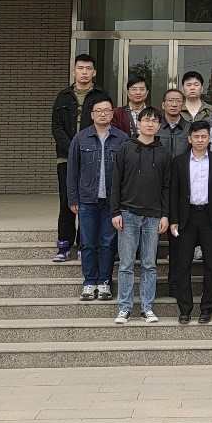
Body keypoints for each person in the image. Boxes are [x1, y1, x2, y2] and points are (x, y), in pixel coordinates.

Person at [110, 107, 171, 325]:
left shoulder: (164, 153)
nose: (150, 124)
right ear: (138, 124)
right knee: (126, 264)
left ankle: (147, 307)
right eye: (146, 120)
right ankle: (124, 308)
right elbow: (116, 182)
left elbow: (167, 187)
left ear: (159, 126)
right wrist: (115, 211)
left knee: (149, 264)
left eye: (154, 121)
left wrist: (165, 215)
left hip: (153, 216)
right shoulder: (126, 149)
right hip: (128, 213)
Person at [51, 53, 112, 262]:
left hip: (93, 157)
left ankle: (83, 242)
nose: (84, 72)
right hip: (66, 157)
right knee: (67, 200)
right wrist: (73, 149)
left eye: (88, 68)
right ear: (73, 71)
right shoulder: (63, 96)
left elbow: (104, 123)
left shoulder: (101, 96)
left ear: (94, 72)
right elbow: (57, 128)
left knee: (89, 201)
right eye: (80, 68)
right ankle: (64, 244)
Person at [67, 97, 128, 302]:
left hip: (112, 202)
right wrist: (73, 198)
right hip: (87, 200)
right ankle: (89, 282)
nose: (103, 114)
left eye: (107, 110)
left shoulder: (122, 138)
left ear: (112, 114)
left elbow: (127, 173)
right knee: (87, 243)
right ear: (92, 115)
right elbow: (72, 171)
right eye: (98, 110)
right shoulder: (80, 138)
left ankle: (104, 282)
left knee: (108, 243)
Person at [169, 120, 212, 324]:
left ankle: (207, 308)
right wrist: (174, 219)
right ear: (189, 139)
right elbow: (174, 193)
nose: (200, 140)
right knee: (183, 264)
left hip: (210, 217)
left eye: (204, 136)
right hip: (186, 218)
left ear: (210, 138)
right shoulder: (179, 161)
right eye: (196, 137)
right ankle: (185, 309)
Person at [157, 89, 190, 159]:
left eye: (178, 101)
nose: (174, 104)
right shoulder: (155, 127)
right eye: (170, 100)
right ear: (163, 105)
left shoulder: (189, 128)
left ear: (183, 105)